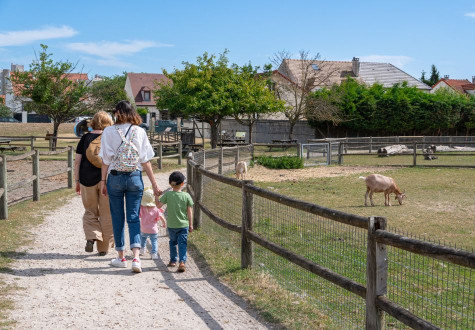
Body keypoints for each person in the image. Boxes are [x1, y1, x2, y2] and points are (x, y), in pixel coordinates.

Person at [100, 100, 162, 273]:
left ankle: (121, 257)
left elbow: (105, 160)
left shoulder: (108, 131)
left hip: (115, 178)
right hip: (135, 176)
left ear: (117, 113)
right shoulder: (140, 131)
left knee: (117, 217)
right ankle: (136, 258)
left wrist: (102, 182)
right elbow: (146, 160)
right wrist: (154, 184)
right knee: (134, 217)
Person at [74, 111, 114, 256]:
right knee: (106, 213)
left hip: (86, 180)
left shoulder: (85, 138)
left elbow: (77, 162)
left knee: (90, 210)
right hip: (107, 181)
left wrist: (77, 180)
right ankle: (103, 248)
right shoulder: (109, 138)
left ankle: (91, 237)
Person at [156, 171, 193, 273]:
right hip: (183, 225)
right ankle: (182, 262)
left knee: (172, 242)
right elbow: (189, 212)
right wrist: (191, 225)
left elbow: (158, 206)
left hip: (171, 225)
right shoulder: (186, 196)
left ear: (170, 184)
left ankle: (173, 261)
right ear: (182, 184)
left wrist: (157, 196)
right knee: (182, 244)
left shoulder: (167, 195)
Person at [139, 188, 166, 260]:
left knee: (143, 239)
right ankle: (154, 254)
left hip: (144, 228)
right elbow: (161, 216)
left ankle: (142, 249)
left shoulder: (142, 208)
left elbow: (139, 216)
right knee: (154, 241)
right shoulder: (155, 209)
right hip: (153, 229)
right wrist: (164, 223)